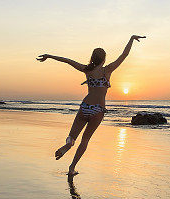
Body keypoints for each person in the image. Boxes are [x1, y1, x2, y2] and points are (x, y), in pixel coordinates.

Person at [37, 34, 145, 176]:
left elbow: (67, 61)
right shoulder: (107, 70)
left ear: (92, 58)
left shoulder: (86, 70)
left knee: (72, 137)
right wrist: (131, 39)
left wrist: (49, 56)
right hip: (97, 110)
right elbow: (124, 55)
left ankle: (68, 144)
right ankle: (72, 168)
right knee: (85, 140)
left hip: (85, 106)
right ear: (104, 59)